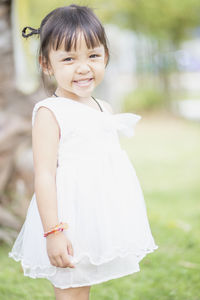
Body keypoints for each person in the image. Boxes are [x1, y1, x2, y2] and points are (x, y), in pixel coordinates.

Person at [8, 4, 158, 300]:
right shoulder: (50, 112)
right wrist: (53, 231)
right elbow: (46, 175)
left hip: (95, 215)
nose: (83, 67)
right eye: (68, 59)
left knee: (82, 288)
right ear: (47, 64)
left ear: (106, 56)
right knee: (70, 290)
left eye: (93, 55)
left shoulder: (104, 108)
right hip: (66, 218)